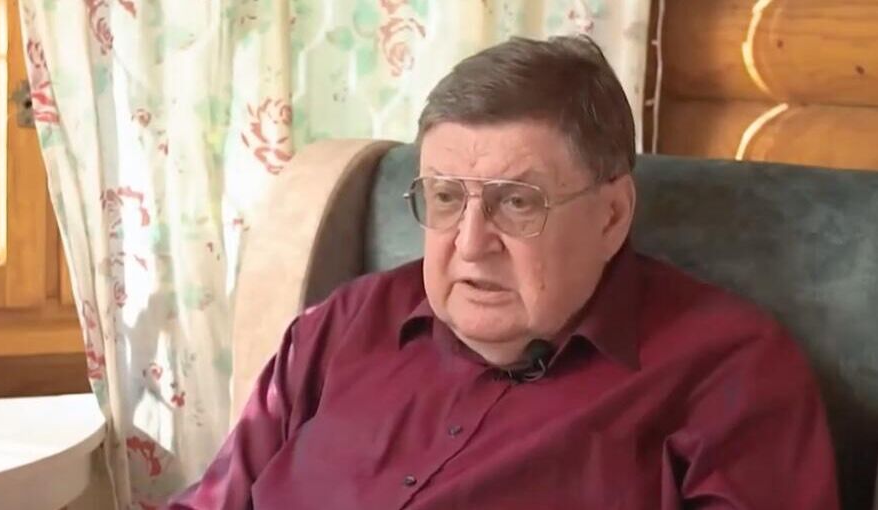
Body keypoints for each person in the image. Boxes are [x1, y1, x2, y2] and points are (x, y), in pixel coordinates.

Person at [167, 35, 838, 509]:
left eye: (517, 202)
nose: (470, 244)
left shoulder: (731, 371)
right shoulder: (344, 324)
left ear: (611, 215)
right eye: (445, 197)